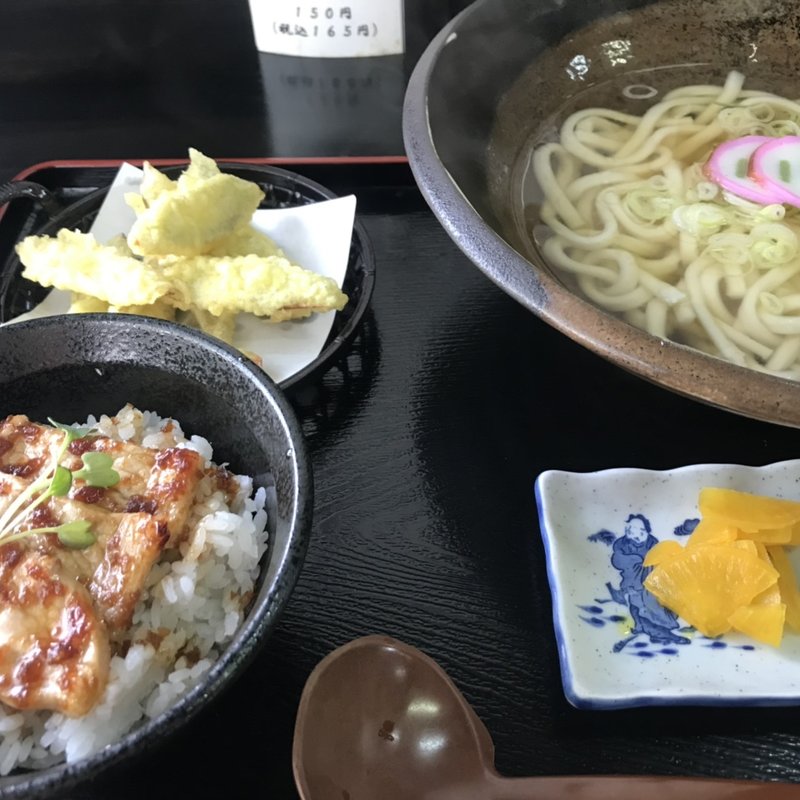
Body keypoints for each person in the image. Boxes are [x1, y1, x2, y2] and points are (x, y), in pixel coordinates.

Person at [609, 513, 688, 645]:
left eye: (640, 530)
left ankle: (661, 629)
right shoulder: (621, 544)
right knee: (635, 603)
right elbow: (617, 560)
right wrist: (635, 560)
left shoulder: (652, 541)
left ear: (645, 530)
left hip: (650, 578)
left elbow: (659, 556)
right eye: (631, 529)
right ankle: (640, 625)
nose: (635, 533)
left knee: (655, 603)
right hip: (632, 579)